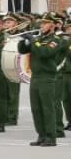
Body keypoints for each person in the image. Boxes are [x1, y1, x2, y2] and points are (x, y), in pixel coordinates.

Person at [17, 14, 67, 147]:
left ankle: (51, 137)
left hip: (47, 77)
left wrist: (33, 41)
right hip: (36, 77)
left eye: (45, 23)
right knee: (36, 108)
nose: (41, 26)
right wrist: (23, 41)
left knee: (47, 108)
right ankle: (41, 135)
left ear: (52, 25)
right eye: (41, 23)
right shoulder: (38, 39)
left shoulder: (56, 40)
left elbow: (46, 53)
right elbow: (23, 50)